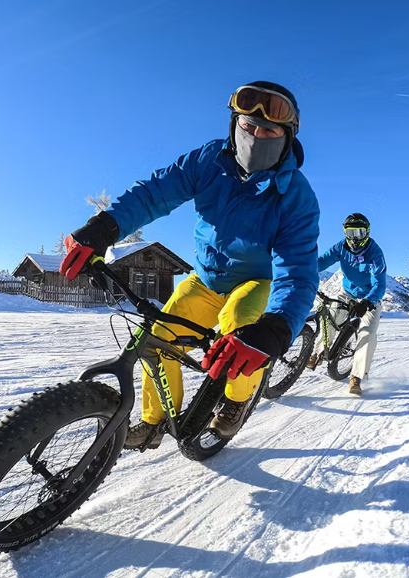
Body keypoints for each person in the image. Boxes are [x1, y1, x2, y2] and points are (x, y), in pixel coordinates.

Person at [59, 81, 320, 449]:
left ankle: (236, 400)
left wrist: (275, 329)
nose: (256, 135)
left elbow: (298, 271)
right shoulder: (209, 160)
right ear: (234, 124)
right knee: (155, 336)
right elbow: (155, 194)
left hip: (257, 282)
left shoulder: (296, 196)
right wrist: (104, 228)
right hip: (207, 279)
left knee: (240, 328)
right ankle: (155, 419)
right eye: (248, 126)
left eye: (269, 130)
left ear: (287, 137)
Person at [307, 213, 386, 395]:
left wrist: (368, 302)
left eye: (359, 233)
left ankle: (356, 377)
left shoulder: (375, 252)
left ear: (367, 232)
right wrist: (304, 266)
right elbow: (321, 262)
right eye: (351, 233)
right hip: (347, 292)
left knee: (367, 333)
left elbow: (380, 284)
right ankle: (317, 353)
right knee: (331, 316)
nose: (355, 238)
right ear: (345, 233)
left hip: (369, 298)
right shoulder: (341, 247)